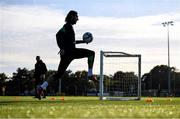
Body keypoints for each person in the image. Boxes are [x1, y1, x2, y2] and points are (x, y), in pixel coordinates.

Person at [37, 10, 97, 100]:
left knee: (58, 75)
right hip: (71, 52)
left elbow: (71, 42)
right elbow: (58, 35)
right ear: (72, 16)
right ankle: (90, 74)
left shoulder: (69, 27)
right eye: (76, 17)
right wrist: (61, 48)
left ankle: (41, 87)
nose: (78, 19)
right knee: (91, 53)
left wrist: (83, 41)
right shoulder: (67, 26)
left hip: (68, 54)